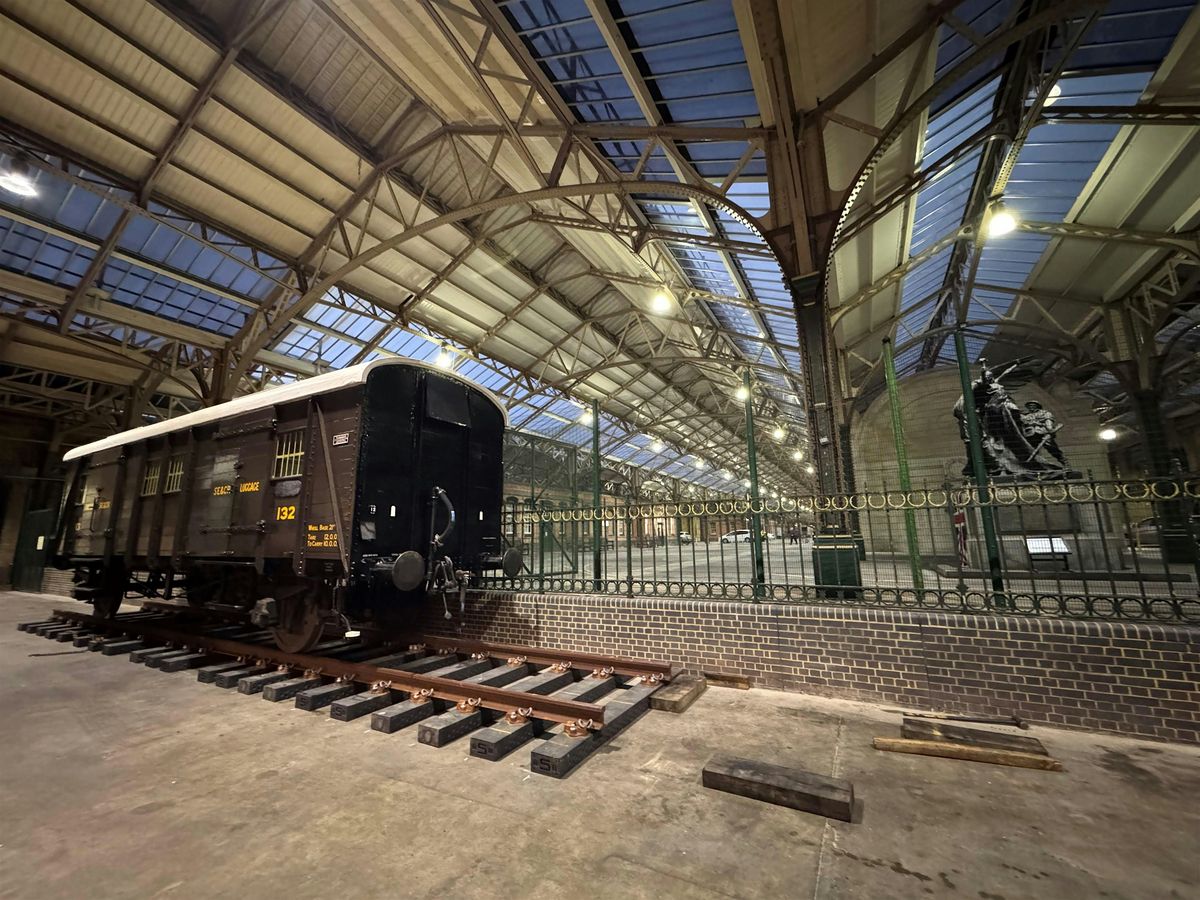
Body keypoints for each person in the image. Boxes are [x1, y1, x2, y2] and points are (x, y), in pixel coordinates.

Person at [1021, 400, 1066, 467]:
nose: (1031, 407)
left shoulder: (1045, 413)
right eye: (1029, 406)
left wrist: (1050, 429)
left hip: (1043, 433)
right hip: (1030, 434)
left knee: (1052, 448)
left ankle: (1065, 463)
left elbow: (1048, 421)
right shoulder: (1025, 415)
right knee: (1030, 450)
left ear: (1037, 406)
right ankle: (1035, 465)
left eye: (1033, 405)